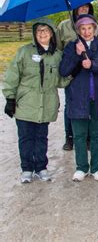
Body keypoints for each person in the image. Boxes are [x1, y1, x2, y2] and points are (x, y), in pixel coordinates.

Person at [3, 18, 70, 183]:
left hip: (46, 104)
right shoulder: (24, 52)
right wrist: (10, 98)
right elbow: (12, 75)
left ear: (52, 34)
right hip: (26, 103)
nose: (42, 34)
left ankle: (41, 167)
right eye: (39, 31)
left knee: (41, 137)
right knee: (26, 137)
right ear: (35, 34)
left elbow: (60, 81)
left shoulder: (57, 56)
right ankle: (26, 168)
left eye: (46, 31)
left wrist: (72, 71)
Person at [59, 14, 98, 182]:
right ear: (78, 30)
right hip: (78, 96)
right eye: (82, 29)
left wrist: (93, 65)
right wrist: (77, 55)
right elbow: (63, 70)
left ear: (95, 29)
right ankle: (81, 167)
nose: (86, 32)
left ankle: (97, 167)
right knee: (79, 135)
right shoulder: (72, 46)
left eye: (89, 28)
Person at [57, 3, 98, 151]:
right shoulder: (64, 26)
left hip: (91, 72)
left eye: (86, 6)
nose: (83, 9)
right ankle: (70, 137)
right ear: (75, 9)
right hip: (73, 72)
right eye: (80, 7)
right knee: (71, 105)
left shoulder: (97, 26)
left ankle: (89, 137)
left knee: (90, 104)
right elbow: (59, 49)